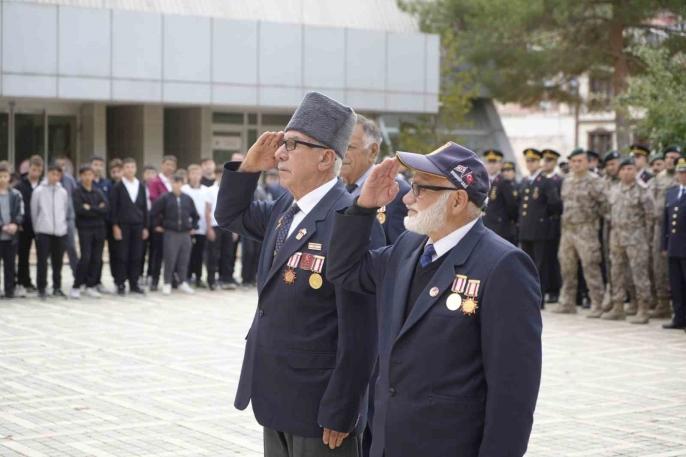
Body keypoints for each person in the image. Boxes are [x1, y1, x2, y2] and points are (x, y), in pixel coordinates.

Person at [326, 144, 542, 457]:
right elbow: (345, 270)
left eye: (420, 188)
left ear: (458, 200)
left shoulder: (504, 265)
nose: (407, 198)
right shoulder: (410, 246)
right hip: (389, 443)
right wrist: (363, 208)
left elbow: (513, 391)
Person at [215, 92, 384, 457]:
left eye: (292, 144)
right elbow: (230, 215)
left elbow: (362, 330)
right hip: (275, 394)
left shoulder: (351, 219)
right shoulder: (285, 208)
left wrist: (344, 407)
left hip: (319, 406)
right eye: (282, 144)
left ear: (325, 158)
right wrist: (248, 168)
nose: (280, 153)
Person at [553, 148, 607, 316]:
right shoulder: (567, 181)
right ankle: (568, 302)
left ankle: (597, 303)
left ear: (587, 162)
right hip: (568, 230)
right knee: (567, 267)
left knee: (591, 266)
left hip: (586, 229)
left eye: (580, 161)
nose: (576, 164)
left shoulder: (595, 181)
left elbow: (605, 204)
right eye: (573, 161)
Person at [342, 114, 409, 245]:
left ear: (373, 151)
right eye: (338, 146)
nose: (341, 153)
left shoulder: (396, 192)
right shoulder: (334, 189)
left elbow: (400, 252)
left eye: (349, 147)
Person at [601, 157, 653, 323]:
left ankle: (643, 308)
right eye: (623, 169)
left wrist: (647, 239)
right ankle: (618, 307)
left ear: (635, 171)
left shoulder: (643, 189)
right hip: (616, 238)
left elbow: (650, 216)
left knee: (639, 274)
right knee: (616, 273)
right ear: (619, 172)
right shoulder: (614, 189)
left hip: (636, 238)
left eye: (630, 169)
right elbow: (608, 211)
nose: (626, 172)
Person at [518, 148, 562, 308]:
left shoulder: (545, 181)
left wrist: (544, 220)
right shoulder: (525, 181)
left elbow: (555, 205)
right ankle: (528, 295)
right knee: (526, 264)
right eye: (528, 161)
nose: (530, 164)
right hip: (526, 230)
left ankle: (539, 297)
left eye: (533, 161)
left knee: (540, 265)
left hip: (540, 230)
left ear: (539, 162)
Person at [649, 145, 683, 319]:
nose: (670, 160)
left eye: (673, 158)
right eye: (667, 157)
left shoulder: (681, 179)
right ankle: (663, 303)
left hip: (679, 231)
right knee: (658, 265)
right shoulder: (659, 178)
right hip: (659, 226)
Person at [151, 173, 198, 295]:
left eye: (178, 182)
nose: (176, 185)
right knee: (170, 258)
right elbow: (153, 212)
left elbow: (195, 215)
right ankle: (167, 282)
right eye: (174, 182)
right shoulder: (165, 198)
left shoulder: (187, 198)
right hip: (170, 232)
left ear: (182, 183)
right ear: (171, 183)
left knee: (184, 258)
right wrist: (156, 226)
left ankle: (182, 282)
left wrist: (194, 227)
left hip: (185, 233)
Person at [110, 158, 148, 295]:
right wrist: (115, 226)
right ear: (123, 170)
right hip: (123, 225)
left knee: (137, 255)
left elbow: (144, 207)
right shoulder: (118, 187)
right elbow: (113, 208)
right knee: (122, 255)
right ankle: (120, 283)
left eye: (132, 167)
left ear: (136, 168)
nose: (130, 170)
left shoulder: (141, 186)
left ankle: (134, 282)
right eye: (127, 167)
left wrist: (145, 227)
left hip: (138, 225)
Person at [32, 163, 69, 300]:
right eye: (53, 174)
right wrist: (37, 228)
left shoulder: (63, 192)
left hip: (60, 232)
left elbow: (65, 210)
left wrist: (63, 226)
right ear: (47, 173)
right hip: (44, 231)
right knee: (42, 261)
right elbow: (34, 211)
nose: (55, 177)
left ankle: (57, 287)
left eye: (58, 175)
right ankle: (42, 287)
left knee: (58, 262)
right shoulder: (39, 191)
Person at [71, 165, 109, 299]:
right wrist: (96, 208)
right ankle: (77, 285)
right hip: (85, 229)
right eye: (85, 174)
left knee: (97, 258)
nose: (88, 177)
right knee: (85, 257)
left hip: (99, 228)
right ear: (81, 176)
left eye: (90, 174)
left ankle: (90, 285)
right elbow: (80, 210)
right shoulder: (77, 192)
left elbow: (106, 208)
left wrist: (90, 208)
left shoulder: (98, 192)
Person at [661, 157, 686, 331]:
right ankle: (679, 317)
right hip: (674, 247)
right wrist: (664, 245)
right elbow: (666, 222)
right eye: (680, 172)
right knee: (676, 285)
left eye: (685, 173)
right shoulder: (671, 193)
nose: (683, 175)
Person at [14, 155, 43, 297]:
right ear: (29, 168)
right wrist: (18, 222)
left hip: (41, 226)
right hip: (24, 226)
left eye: (38, 170)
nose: (35, 173)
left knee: (41, 256)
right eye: (33, 169)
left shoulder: (43, 185)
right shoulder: (20, 185)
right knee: (23, 255)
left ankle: (40, 283)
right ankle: (23, 281)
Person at [147, 155, 177, 290]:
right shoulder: (155, 182)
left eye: (172, 165)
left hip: (174, 225)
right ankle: (154, 280)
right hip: (160, 224)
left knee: (173, 253)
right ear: (162, 165)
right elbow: (154, 201)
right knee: (157, 254)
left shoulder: (175, 182)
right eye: (168, 164)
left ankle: (172, 279)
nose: (170, 168)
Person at [482, 150, 518, 244]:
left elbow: (511, 205)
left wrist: (510, 221)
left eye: (494, 162)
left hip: (500, 227)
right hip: (485, 225)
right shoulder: (483, 181)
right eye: (489, 162)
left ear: (500, 164)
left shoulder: (504, 182)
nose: (491, 165)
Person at [89, 155, 113, 294]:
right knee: (88, 254)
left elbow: (108, 204)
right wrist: (97, 207)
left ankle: (97, 281)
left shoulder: (107, 183)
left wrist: (95, 208)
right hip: (88, 224)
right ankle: (88, 281)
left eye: (100, 165)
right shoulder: (85, 182)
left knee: (99, 255)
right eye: (95, 164)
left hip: (103, 224)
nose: (97, 168)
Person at [542, 149, 563, 303]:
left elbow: (557, 204)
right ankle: (547, 288)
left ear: (555, 163)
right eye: (545, 160)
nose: (546, 163)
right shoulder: (541, 179)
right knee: (545, 259)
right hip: (542, 225)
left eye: (550, 160)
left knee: (554, 258)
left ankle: (555, 289)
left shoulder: (559, 180)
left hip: (554, 223)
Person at [205, 165, 231, 291]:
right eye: (219, 175)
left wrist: (235, 229)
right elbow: (207, 210)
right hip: (215, 226)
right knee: (213, 254)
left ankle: (224, 279)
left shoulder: (231, 189)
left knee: (227, 254)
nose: (222, 177)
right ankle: (211, 280)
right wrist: (209, 228)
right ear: (215, 176)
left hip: (228, 226)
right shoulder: (210, 190)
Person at [181, 165, 208, 288]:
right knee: (187, 253)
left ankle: (198, 277)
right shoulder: (184, 189)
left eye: (197, 173)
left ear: (201, 176)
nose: (195, 176)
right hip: (187, 227)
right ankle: (186, 276)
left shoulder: (206, 190)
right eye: (193, 173)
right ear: (188, 175)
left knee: (199, 253)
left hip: (202, 227)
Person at [0, 164, 23, 299]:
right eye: (0, 176)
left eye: (5, 176)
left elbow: (20, 212)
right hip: (1, 233)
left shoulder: (15, 194)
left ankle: (10, 290)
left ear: (9, 177)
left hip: (11, 236)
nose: (3, 179)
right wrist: (2, 226)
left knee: (10, 264)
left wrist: (15, 224)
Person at [54, 156, 80, 277]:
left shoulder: (69, 179)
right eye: (59, 165)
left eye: (63, 165)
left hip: (69, 218)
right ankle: (55, 279)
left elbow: (75, 197)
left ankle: (77, 275)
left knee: (71, 247)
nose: (61, 167)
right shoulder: (49, 179)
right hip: (54, 219)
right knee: (55, 250)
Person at [142, 164, 158, 284]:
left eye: (152, 173)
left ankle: (150, 274)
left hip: (154, 221)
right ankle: (139, 274)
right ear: (143, 175)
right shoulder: (140, 187)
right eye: (147, 173)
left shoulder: (157, 187)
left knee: (154, 250)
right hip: (142, 222)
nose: (150, 176)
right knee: (141, 250)